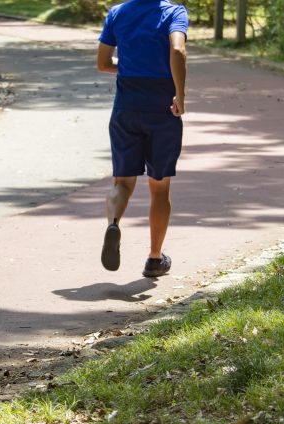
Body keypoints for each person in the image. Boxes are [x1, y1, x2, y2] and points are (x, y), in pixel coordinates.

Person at [97, 0, 188, 277]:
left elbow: (102, 63)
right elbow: (177, 49)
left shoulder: (118, 12)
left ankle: (113, 223)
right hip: (162, 109)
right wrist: (180, 94)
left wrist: (128, 68)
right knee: (159, 187)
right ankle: (155, 258)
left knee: (122, 182)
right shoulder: (174, 12)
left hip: (126, 107)